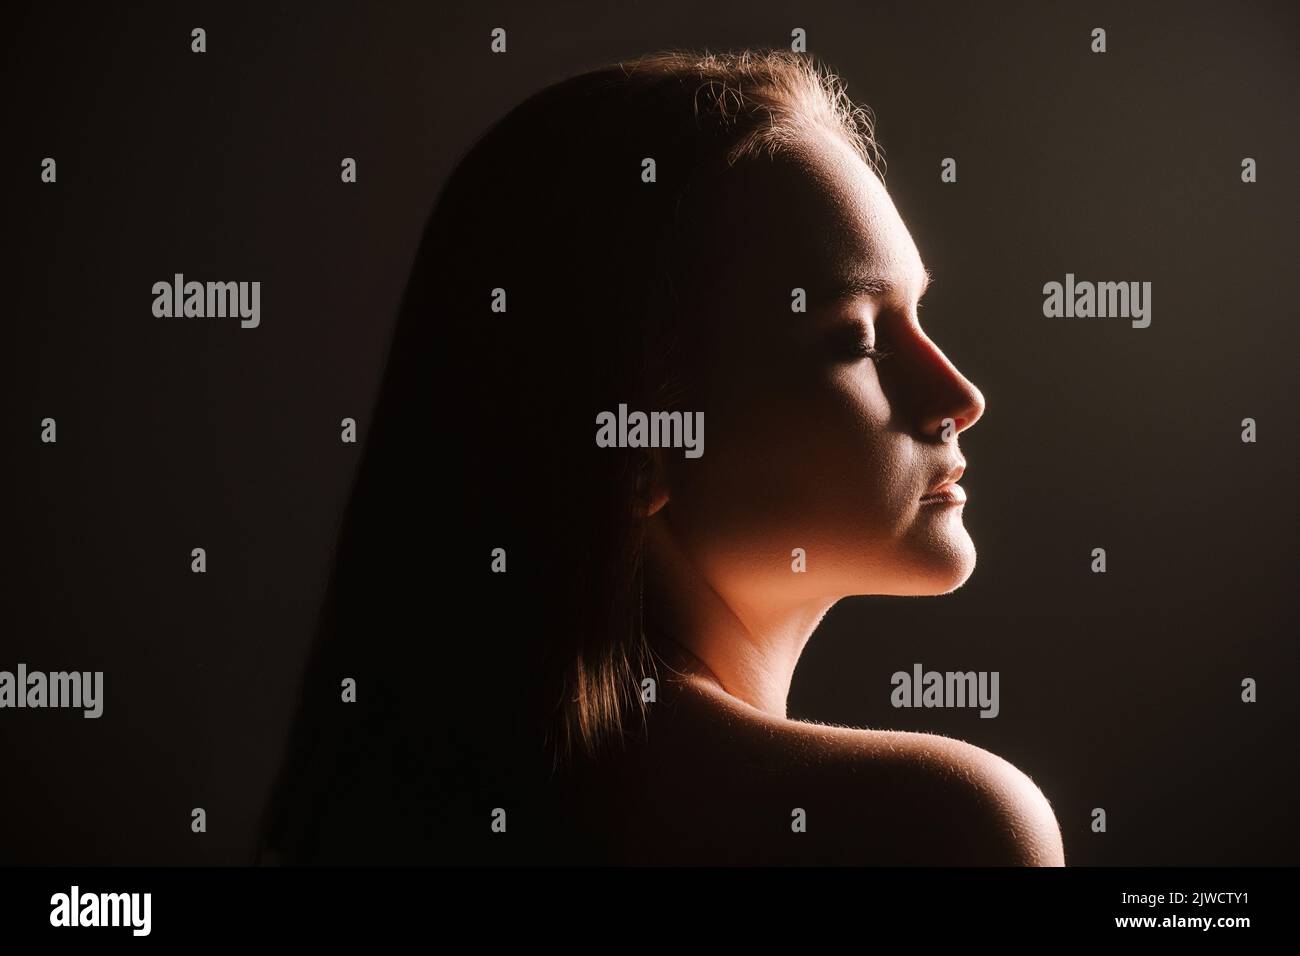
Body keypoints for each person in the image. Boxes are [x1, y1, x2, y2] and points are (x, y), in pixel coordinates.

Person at [257, 48, 1065, 866]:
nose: (960, 397)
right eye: (859, 340)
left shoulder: (403, 810)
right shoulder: (945, 830)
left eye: (918, 315)